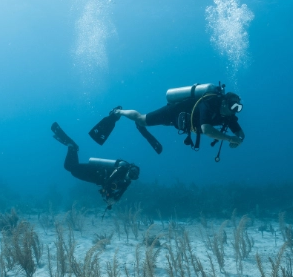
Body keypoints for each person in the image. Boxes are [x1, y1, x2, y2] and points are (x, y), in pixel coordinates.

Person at [96, 87, 245, 151]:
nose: (234, 111)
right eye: (233, 107)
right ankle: (119, 111)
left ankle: (135, 120)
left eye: (238, 108)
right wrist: (229, 139)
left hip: (183, 123)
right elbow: (207, 130)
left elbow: (240, 134)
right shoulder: (209, 104)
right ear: (224, 102)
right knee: (141, 119)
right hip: (174, 112)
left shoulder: (229, 115)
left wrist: (238, 140)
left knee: (152, 123)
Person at [51, 122, 140, 209]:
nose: (130, 177)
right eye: (131, 174)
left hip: (95, 178)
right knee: (70, 168)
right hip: (95, 170)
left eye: (133, 177)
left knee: (72, 169)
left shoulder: (126, 182)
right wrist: (109, 194)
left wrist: (113, 200)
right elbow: (109, 181)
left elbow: (120, 193)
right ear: (129, 170)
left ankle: (72, 147)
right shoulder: (121, 169)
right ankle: (72, 147)